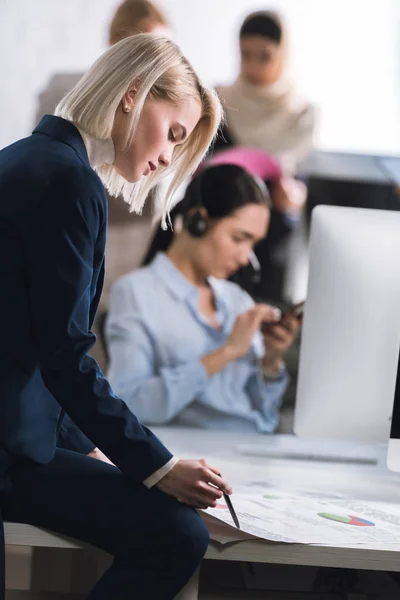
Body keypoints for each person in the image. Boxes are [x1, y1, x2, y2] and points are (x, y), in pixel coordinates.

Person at [0, 34, 231, 600]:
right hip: (9, 451)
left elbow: (24, 343)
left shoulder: (26, 158)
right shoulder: (69, 181)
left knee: (169, 526)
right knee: (177, 534)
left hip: (20, 436)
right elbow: (63, 357)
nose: (168, 158)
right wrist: (157, 465)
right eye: (174, 133)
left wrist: (90, 446)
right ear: (132, 94)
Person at [106, 165, 300, 432]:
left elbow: (263, 416)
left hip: (254, 449)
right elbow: (130, 403)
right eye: (238, 238)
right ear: (198, 221)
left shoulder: (237, 301)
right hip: (196, 457)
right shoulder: (137, 293)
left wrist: (269, 362)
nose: (245, 258)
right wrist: (227, 352)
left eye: (253, 244)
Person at [215, 10, 315, 172]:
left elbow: (305, 181)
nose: (253, 66)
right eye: (246, 54)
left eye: (265, 57)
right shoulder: (218, 102)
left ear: (282, 55)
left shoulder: (303, 115)